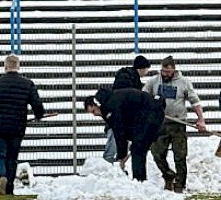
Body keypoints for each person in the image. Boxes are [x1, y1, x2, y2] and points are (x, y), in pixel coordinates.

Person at [0, 54, 44, 195]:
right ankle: (9, 189)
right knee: (12, 158)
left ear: (5, 66)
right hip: (17, 126)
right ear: (18, 66)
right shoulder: (27, 84)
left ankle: (1, 176)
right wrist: (39, 115)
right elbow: (37, 104)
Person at [143, 56, 207, 192]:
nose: (165, 75)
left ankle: (180, 184)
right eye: (163, 72)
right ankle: (168, 175)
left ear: (174, 70)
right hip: (159, 124)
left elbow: (195, 102)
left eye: (168, 72)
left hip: (178, 123)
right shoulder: (153, 82)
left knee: (180, 155)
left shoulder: (183, 82)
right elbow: (143, 98)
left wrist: (200, 119)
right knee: (157, 153)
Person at [84, 87, 165, 182]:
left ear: (96, 104)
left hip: (151, 115)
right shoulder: (109, 102)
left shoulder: (111, 106)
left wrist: (121, 156)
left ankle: (140, 181)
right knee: (137, 147)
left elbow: (119, 131)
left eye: (93, 111)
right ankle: (139, 180)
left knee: (137, 149)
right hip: (146, 115)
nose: (95, 115)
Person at [104, 55, 151, 162]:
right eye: (147, 69)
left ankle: (115, 166)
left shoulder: (130, 78)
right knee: (114, 144)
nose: (147, 72)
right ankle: (107, 166)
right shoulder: (129, 79)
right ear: (142, 68)